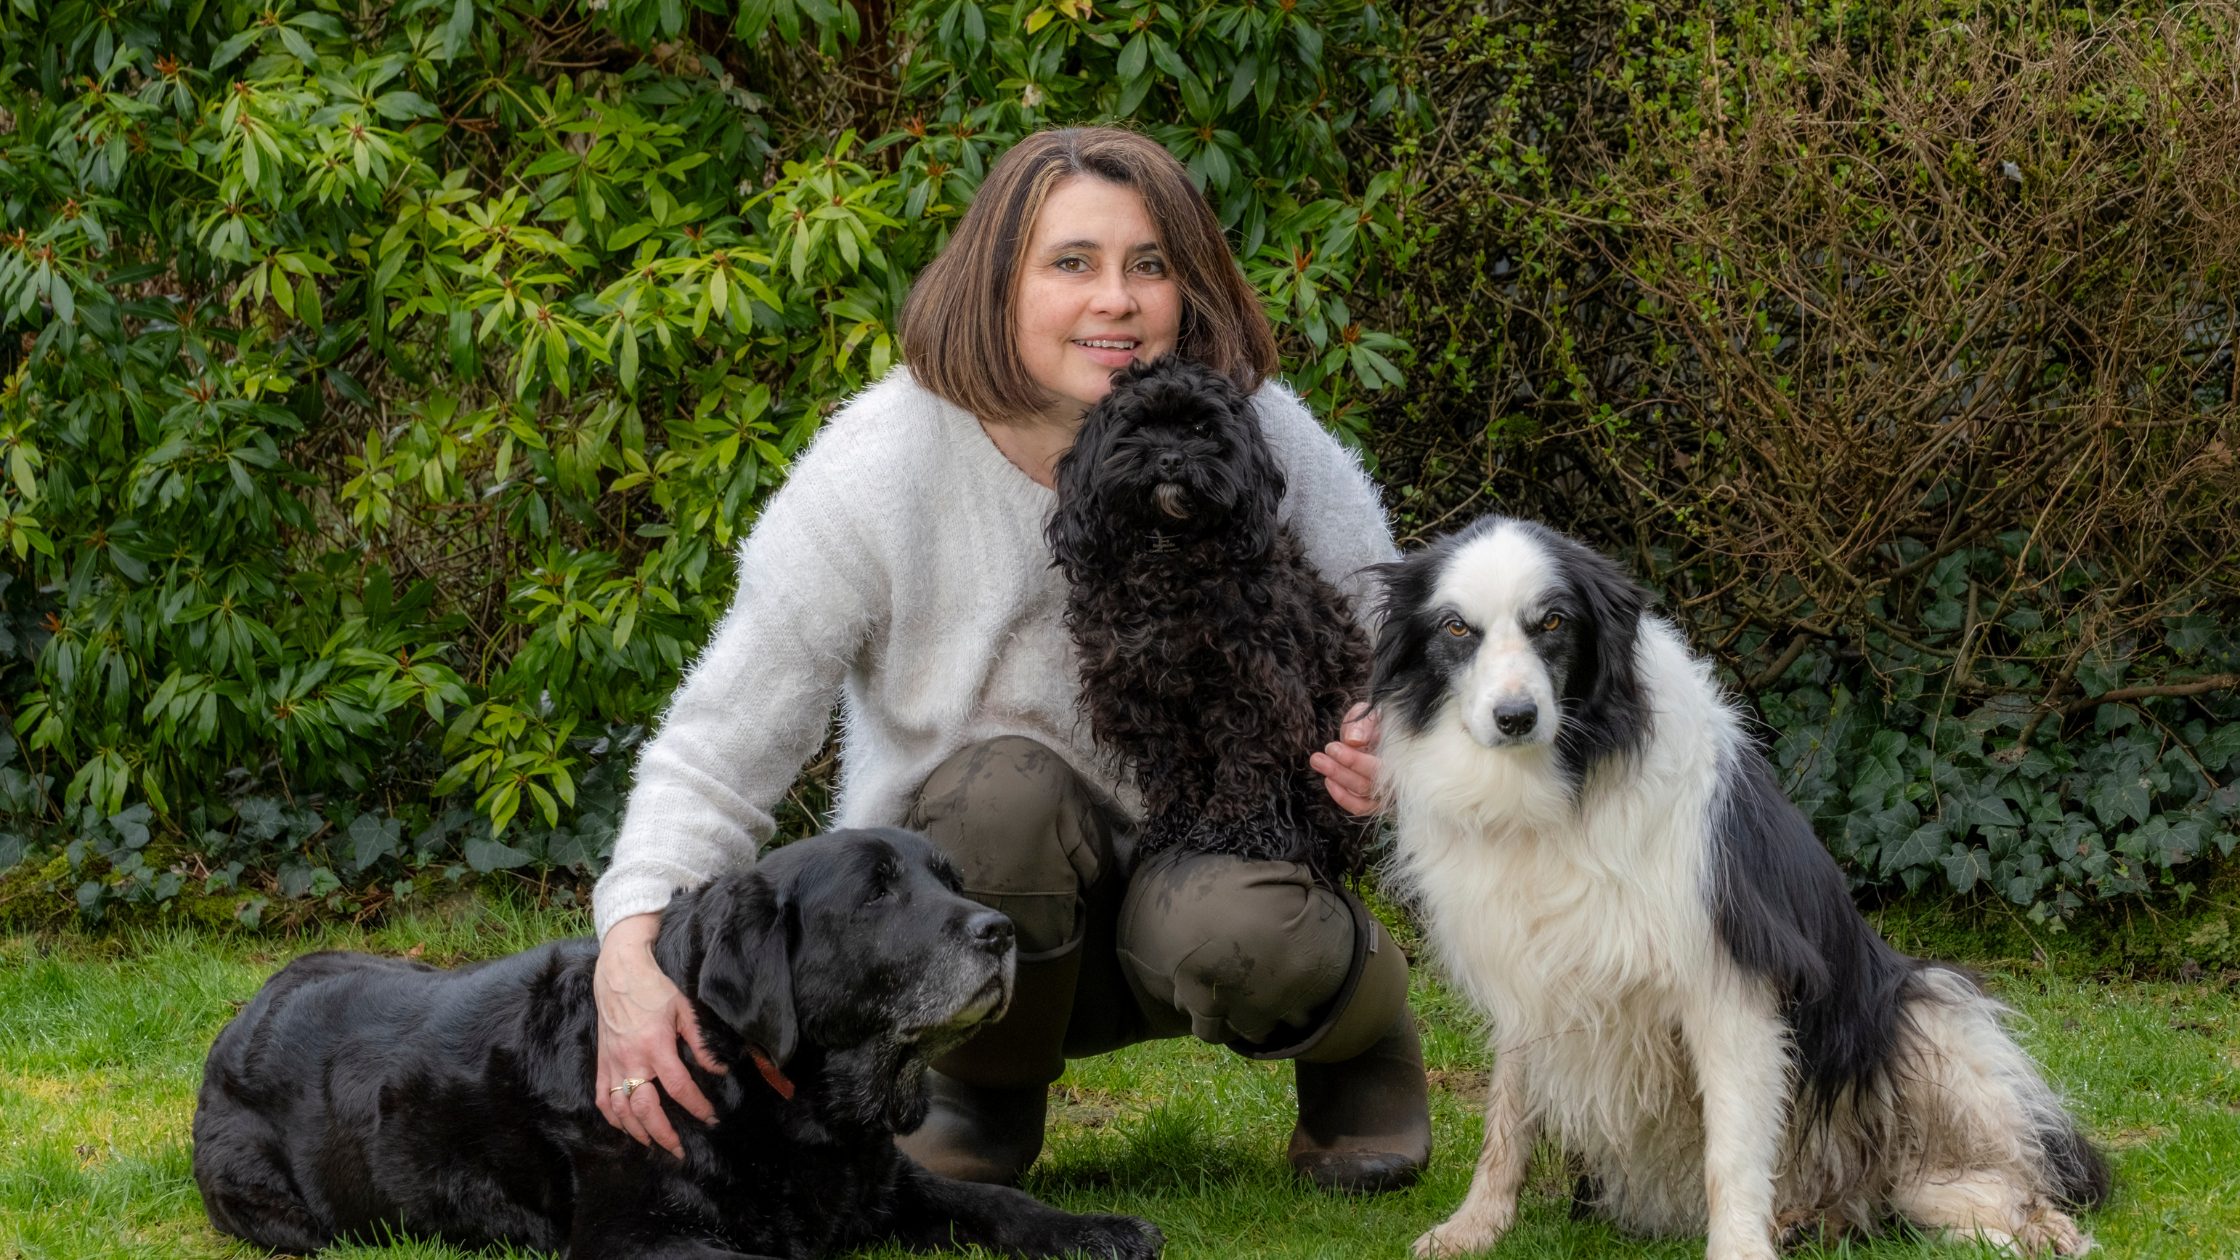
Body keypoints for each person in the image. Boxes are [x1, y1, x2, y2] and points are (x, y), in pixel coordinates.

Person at [589, 126, 1428, 1192]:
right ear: (997, 285)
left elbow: (1390, 642)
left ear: (1187, 287)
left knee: (1244, 932)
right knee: (1000, 795)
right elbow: (721, 742)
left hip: (1210, 872)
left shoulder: (1249, 425)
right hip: (987, 887)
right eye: (1071, 263)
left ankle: (1361, 1040)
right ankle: (978, 1092)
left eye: (1149, 265)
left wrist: (1388, 741)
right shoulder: (881, 465)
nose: (1115, 300)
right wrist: (631, 945)